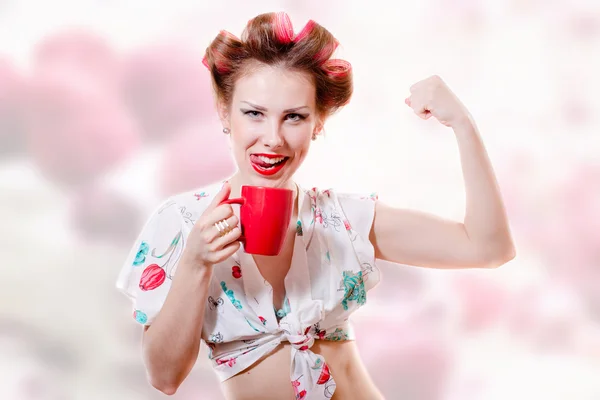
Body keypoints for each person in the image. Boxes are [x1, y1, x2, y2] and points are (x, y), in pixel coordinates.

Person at [116, 11, 516, 400]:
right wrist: (195, 262)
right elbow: (164, 377)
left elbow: (488, 249)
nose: (272, 138)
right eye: (254, 113)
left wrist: (462, 124)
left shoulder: (340, 220)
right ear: (225, 111)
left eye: (294, 117)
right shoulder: (184, 222)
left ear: (318, 123)